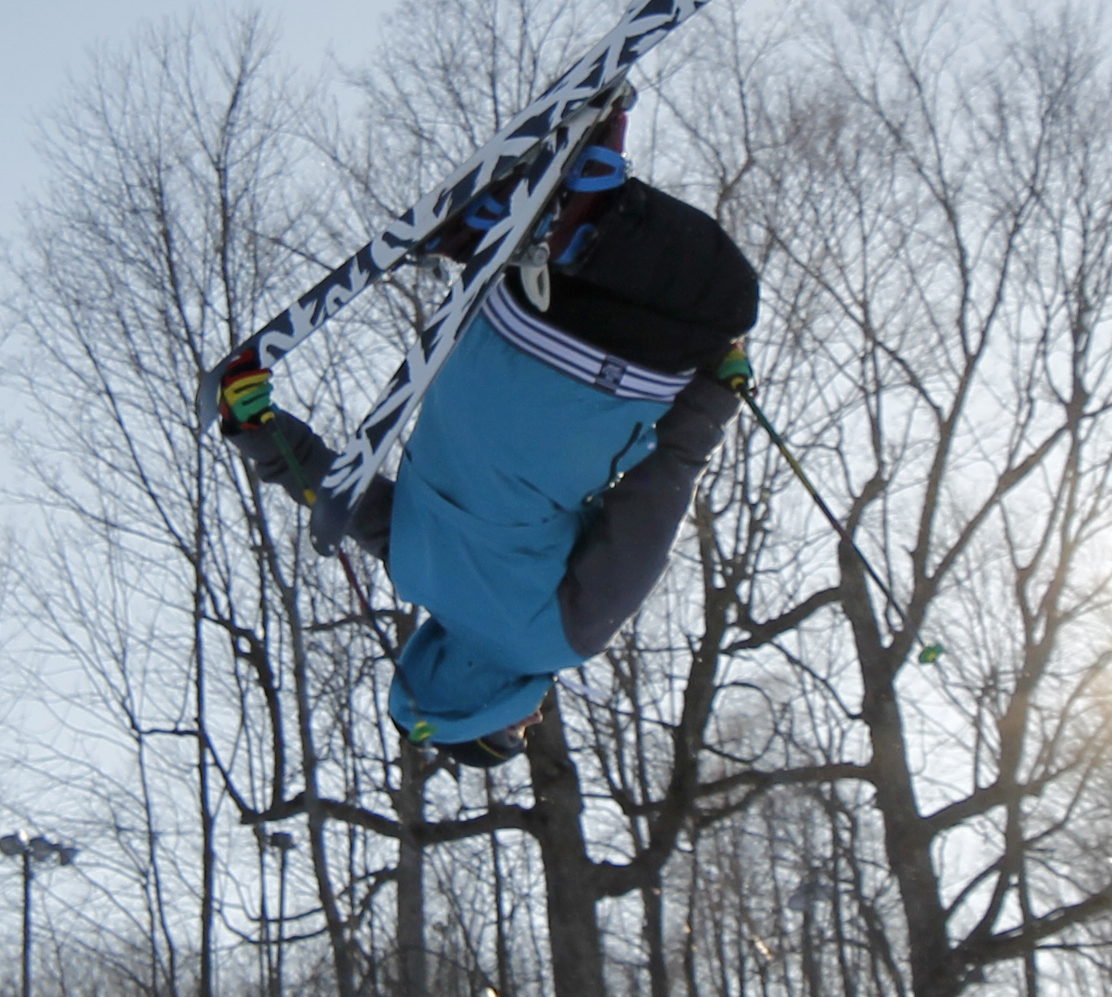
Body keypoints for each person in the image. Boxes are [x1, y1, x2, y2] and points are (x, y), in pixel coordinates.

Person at [215, 114, 758, 770]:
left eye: (516, 731)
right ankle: (517, 231)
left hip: (602, 371)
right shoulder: (412, 568)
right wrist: (257, 433)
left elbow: (654, 500)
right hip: (499, 318)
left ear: (482, 707)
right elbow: (334, 490)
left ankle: (588, 217)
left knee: (725, 297)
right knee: (596, 279)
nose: (534, 718)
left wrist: (712, 400)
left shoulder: (561, 639)